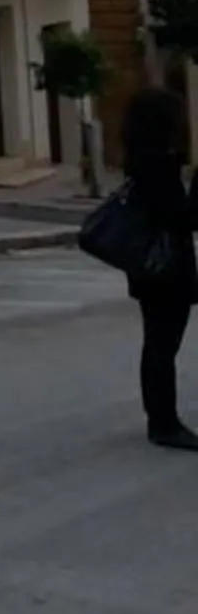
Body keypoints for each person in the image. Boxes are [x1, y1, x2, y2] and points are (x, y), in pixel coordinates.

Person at [118, 86, 198, 451]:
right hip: (165, 269)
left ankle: (161, 419)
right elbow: (181, 218)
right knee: (163, 346)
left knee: (158, 344)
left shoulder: (140, 160)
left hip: (150, 268)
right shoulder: (157, 166)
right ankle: (164, 423)